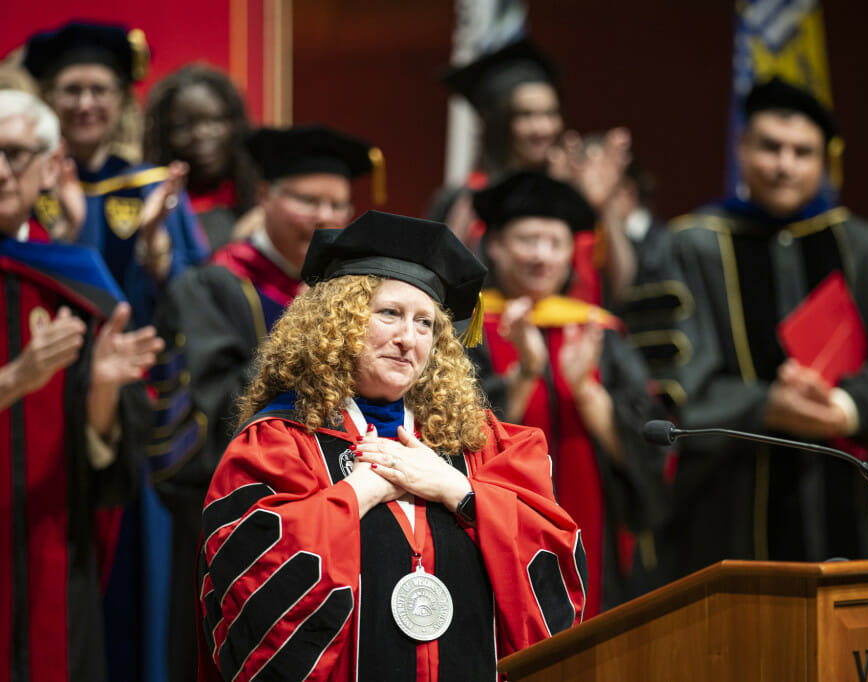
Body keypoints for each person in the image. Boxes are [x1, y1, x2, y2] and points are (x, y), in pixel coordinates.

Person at [196, 210, 587, 680]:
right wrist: (357, 494)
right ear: (338, 321)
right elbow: (251, 589)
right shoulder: (280, 442)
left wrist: (460, 491)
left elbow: (556, 570)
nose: (408, 339)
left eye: (425, 323)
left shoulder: (483, 445)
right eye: (389, 314)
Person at [639, 77, 868, 580]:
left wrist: (847, 407)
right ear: (741, 148)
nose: (784, 165)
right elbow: (668, 386)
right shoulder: (688, 247)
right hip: (727, 514)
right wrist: (765, 406)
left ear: (825, 159)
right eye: (770, 147)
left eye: (802, 152)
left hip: (847, 498)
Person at [145, 123, 377, 682]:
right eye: (307, 200)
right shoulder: (212, 288)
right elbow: (208, 417)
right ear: (266, 196)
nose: (326, 217)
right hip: (241, 528)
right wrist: (299, 336)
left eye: (339, 203)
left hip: (345, 530)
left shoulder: (366, 299)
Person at [0, 89, 163, 682]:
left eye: (15, 153)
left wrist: (101, 392)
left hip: (52, 545)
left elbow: (104, 461)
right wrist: (16, 379)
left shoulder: (77, 283)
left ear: (50, 166)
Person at [466, 170, 666, 617]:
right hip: (496, 531)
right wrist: (525, 374)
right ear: (495, 244)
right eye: (528, 240)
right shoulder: (466, 329)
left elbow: (646, 456)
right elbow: (456, 444)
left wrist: (588, 393)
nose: (542, 256)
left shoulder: (601, 333)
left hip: (595, 534)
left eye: (555, 243)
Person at [23, 20, 209, 325]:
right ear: (49, 98)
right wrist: (65, 233)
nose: (85, 104)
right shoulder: (25, 185)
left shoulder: (154, 188)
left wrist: (152, 241)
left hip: (142, 362)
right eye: (71, 90)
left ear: (121, 100)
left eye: (99, 90)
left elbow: (191, 299)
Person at [437, 38, 635, 307]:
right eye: (526, 115)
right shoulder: (466, 198)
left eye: (550, 113)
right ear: (499, 122)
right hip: (488, 342)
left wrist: (605, 208)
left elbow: (622, 287)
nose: (542, 128)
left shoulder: (575, 195)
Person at [144, 63, 259, 251]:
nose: (200, 134)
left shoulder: (259, 196)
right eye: (183, 126)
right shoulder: (155, 204)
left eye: (213, 120)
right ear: (163, 136)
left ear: (234, 124)